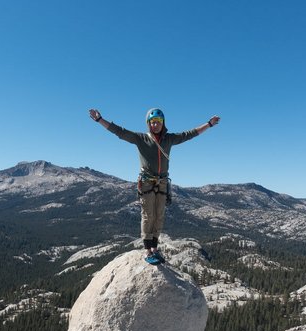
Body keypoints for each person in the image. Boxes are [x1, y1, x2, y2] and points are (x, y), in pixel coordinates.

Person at [88, 107, 220, 264]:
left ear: (163, 123)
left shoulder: (169, 139)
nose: (155, 125)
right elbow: (120, 132)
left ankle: (155, 248)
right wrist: (99, 120)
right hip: (147, 183)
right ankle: (147, 250)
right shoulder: (141, 139)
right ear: (148, 124)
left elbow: (189, 134)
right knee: (148, 215)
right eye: (152, 122)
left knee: (159, 216)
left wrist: (208, 124)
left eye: (158, 122)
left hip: (162, 183)